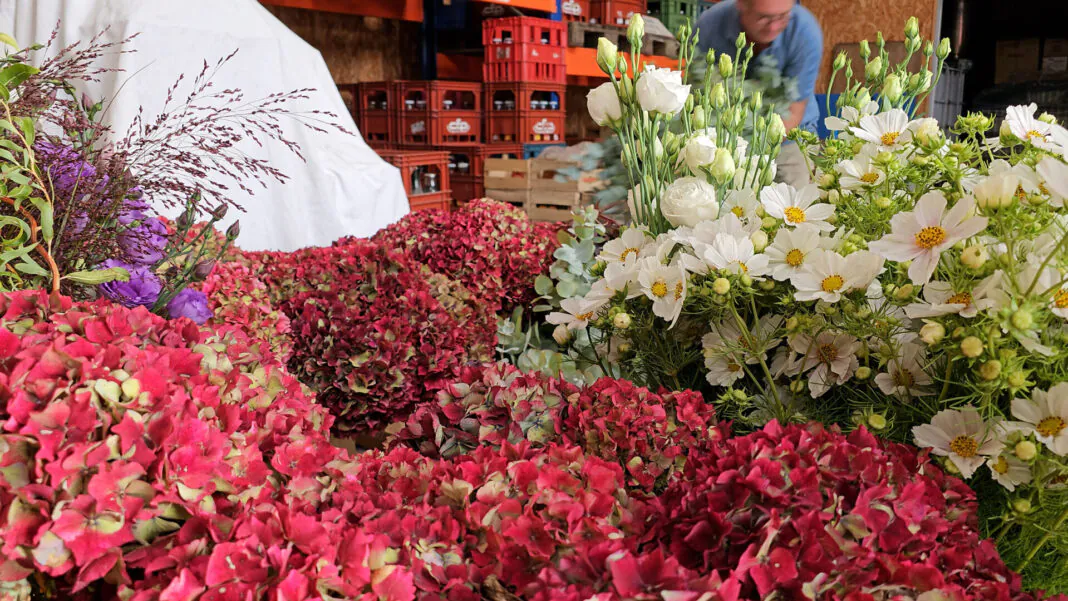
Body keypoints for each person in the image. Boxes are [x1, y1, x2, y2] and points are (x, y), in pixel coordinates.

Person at [696, 0, 823, 187]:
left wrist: (752, 155)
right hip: (724, 135)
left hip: (790, 134)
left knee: (791, 199)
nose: (773, 27)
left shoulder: (804, 31)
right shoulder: (710, 25)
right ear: (741, 6)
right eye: (763, 17)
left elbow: (795, 110)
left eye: (782, 17)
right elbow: (698, 91)